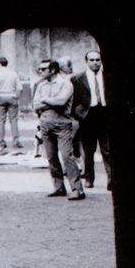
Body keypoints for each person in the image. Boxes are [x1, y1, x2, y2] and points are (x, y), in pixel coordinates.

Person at [33, 59, 84, 200]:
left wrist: (45, 100)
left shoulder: (65, 84)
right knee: (51, 157)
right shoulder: (41, 85)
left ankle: (77, 189)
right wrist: (51, 102)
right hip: (45, 124)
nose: (40, 71)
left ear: (53, 70)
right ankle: (59, 187)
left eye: (44, 69)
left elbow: (61, 102)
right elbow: (35, 105)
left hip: (62, 124)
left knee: (67, 156)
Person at [71, 49, 113, 190]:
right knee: (88, 150)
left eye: (98, 60)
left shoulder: (107, 76)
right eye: (92, 60)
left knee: (107, 149)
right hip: (88, 116)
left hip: (104, 114)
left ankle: (111, 179)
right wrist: (79, 115)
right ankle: (89, 178)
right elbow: (74, 100)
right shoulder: (78, 78)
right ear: (86, 61)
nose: (95, 63)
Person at [0, 57, 22, 155]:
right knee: (13, 120)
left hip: (1, 96)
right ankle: (15, 140)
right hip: (12, 96)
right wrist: (16, 96)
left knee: (1, 120)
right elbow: (20, 88)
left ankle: (2, 141)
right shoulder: (13, 74)